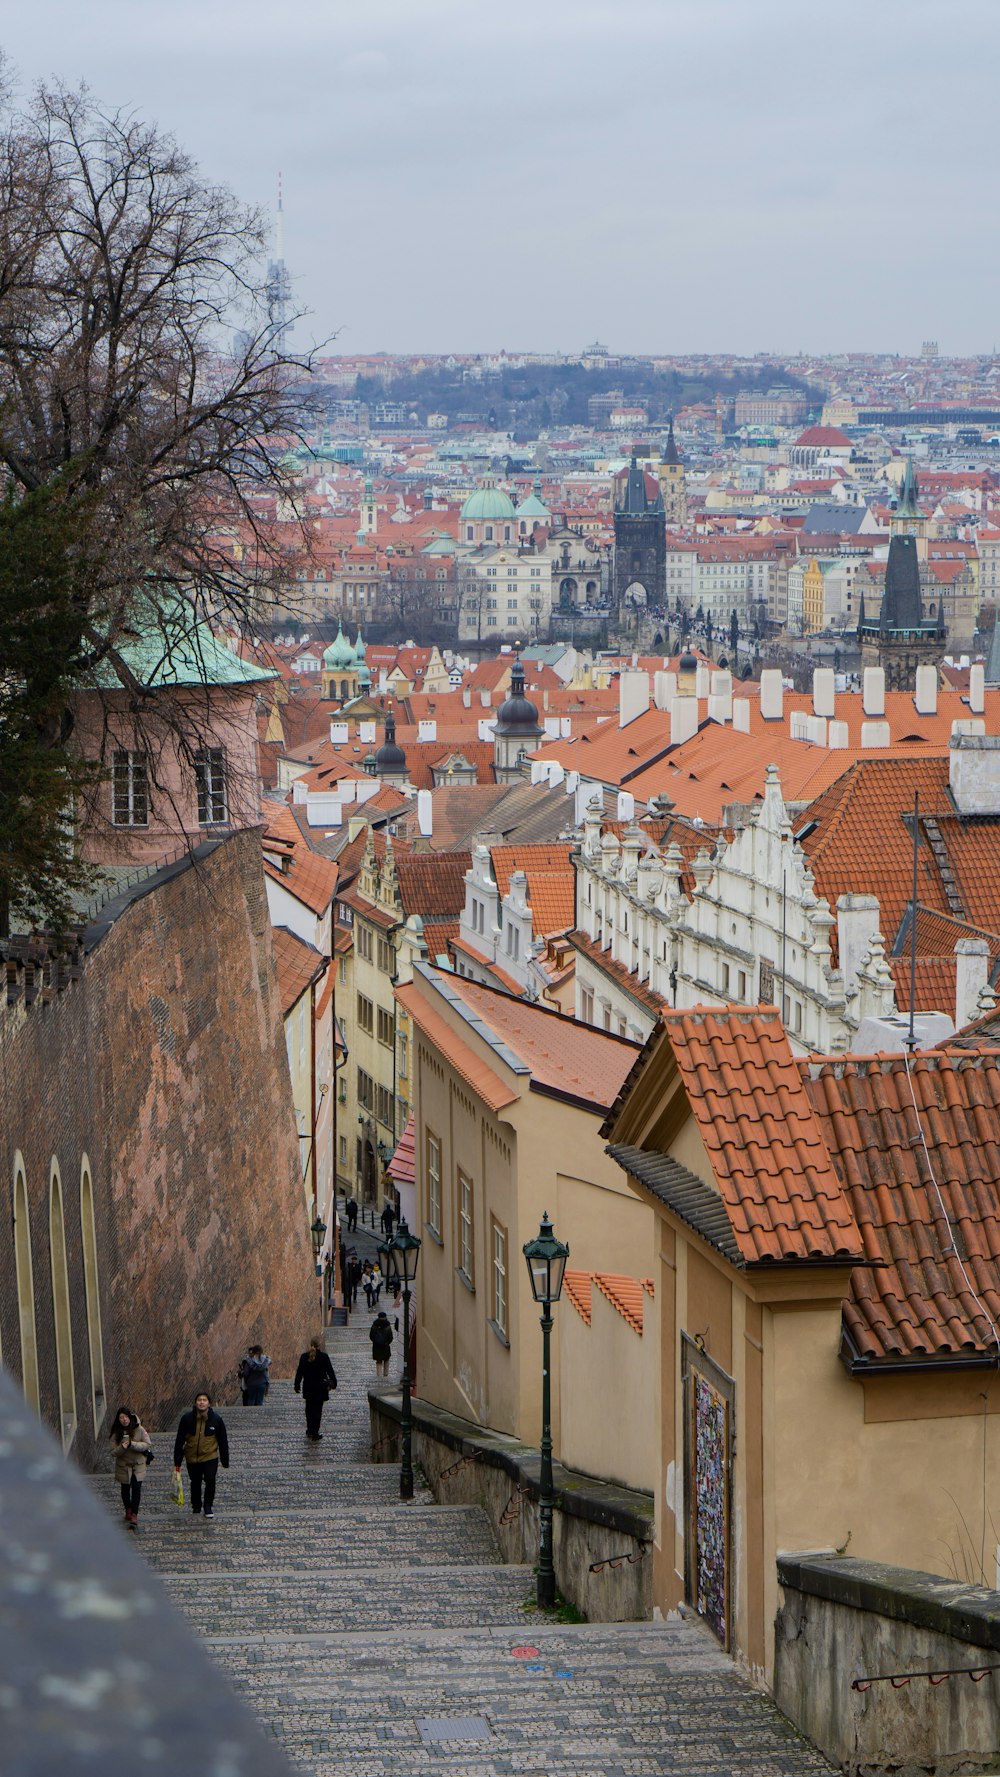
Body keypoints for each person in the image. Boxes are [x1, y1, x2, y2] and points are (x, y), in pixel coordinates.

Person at [172, 1391, 230, 1518]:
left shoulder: (216, 1420)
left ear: (209, 1403)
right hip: (192, 1457)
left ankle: (208, 1505)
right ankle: (196, 1505)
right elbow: (180, 1440)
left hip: (210, 1456)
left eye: (204, 1400)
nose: (202, 1402)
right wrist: (177, 1460)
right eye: (199, 1400)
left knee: (210, 1480)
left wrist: (225, 1461)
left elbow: (222, 1441)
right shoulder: (186, 1419)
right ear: (195, 1403)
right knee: (195, 1482)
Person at [110, 1405, 152, 1528]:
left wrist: (133, 1444)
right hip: (123, 1465)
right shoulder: (115, 1433)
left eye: (126, 1417)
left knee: (136, 1488)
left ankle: (134, 1513)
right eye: (121, 1417)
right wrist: (122, 1448)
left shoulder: (139, 1429)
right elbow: (113, 1452)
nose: (124, 1420)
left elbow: (147, 1444)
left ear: (130, 1417)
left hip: (138, 1465)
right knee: (125, 1489)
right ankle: (128, 1509)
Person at [294, 1335, 338, 1440]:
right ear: (319, 1345)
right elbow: (330, 1372)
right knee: (317, 1410)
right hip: (320, 1388)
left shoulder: (304, 1357)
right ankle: (315, 1432)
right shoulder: (324, 1357)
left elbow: (299, 1372)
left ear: (311, 1344)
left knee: (309, 1410)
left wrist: (297, 1385)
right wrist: (334, 1383)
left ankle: (310, 1430)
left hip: (308, 1387)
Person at [369, 1310, 393, 1379]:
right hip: (385, 1346)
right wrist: (387, 1343)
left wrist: (375, 1342)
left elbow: (371, 1336)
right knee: (386, 1359)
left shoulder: (374, 1325)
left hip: (377, 1346)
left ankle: (379, 1375)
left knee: (379, 1361)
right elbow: (390, 1337)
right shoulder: (388, 1326)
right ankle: (385, 1374)